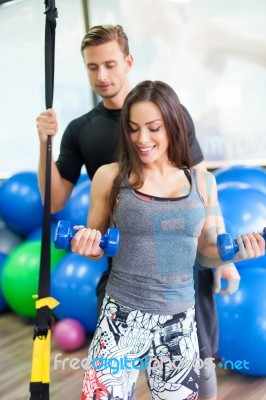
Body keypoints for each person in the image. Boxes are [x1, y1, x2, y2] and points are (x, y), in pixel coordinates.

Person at [36, 25, 240, 400]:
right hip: (126, 282)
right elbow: (57, 200)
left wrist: (224, 256)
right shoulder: (86, 135)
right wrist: (44, 144)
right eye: (92, 67)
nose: (102, 75)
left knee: (203, 365)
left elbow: (201, 186)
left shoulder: (170, 111)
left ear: (128, 61)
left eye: (110, 64)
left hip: (182, 276)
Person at [69, 79, 265, 400]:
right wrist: (86, 244)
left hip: (177, 321)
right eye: (133, 129)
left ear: (173, 125)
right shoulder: (110, 176)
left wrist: (238, 254)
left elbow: (204, 255)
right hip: (120, 317)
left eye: (153, 128)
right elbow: (98, 244)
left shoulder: (202, 182)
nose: (141, 139)